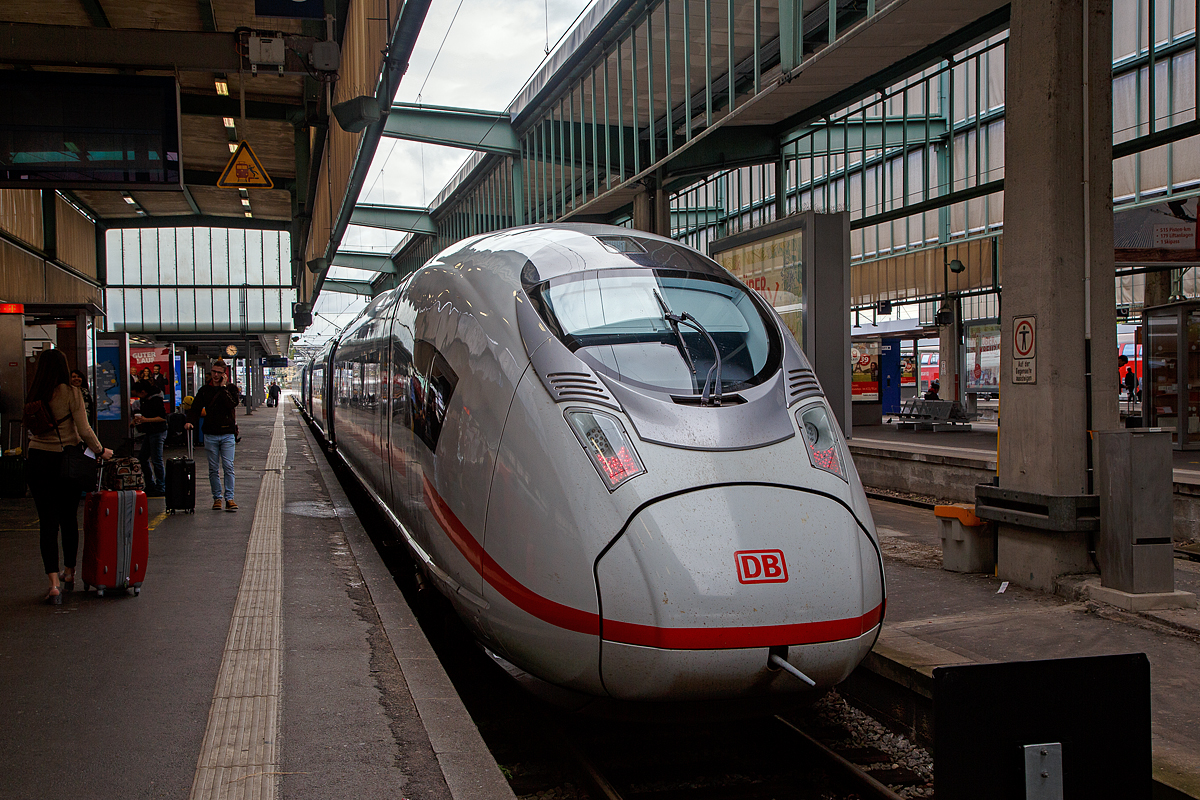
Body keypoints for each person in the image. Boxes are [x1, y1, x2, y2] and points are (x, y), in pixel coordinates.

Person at [25, 349, 114, 604]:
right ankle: (69, 572)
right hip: (66, 462)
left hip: (37, 460)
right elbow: (84, 429)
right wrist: (100, 451)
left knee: (47, 522)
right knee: (68, 518)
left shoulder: (35, 391)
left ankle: (53, 583)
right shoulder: (72, 392)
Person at [186, 360, 239, 511]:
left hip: (227, 433)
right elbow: (195, 408)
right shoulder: (204, 390)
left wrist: (223, 388)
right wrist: (190, 421)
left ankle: (229, 498)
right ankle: (217, 498)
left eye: (219, 373)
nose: (215, 375)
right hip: (210, 434)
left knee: (228, 466)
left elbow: (232, 404)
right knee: (213, 468)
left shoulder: (231, 389)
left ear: (224, 374)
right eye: (214, 372)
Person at [132, 381, 168, 497]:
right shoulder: (145, 399)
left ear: (143, 392)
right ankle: (150, 484)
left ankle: (161, 486)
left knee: (156, 459)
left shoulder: (155, 399)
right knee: (142, 458)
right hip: (150, 431)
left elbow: (162, 417)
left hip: (158, 431)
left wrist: (145, 420)